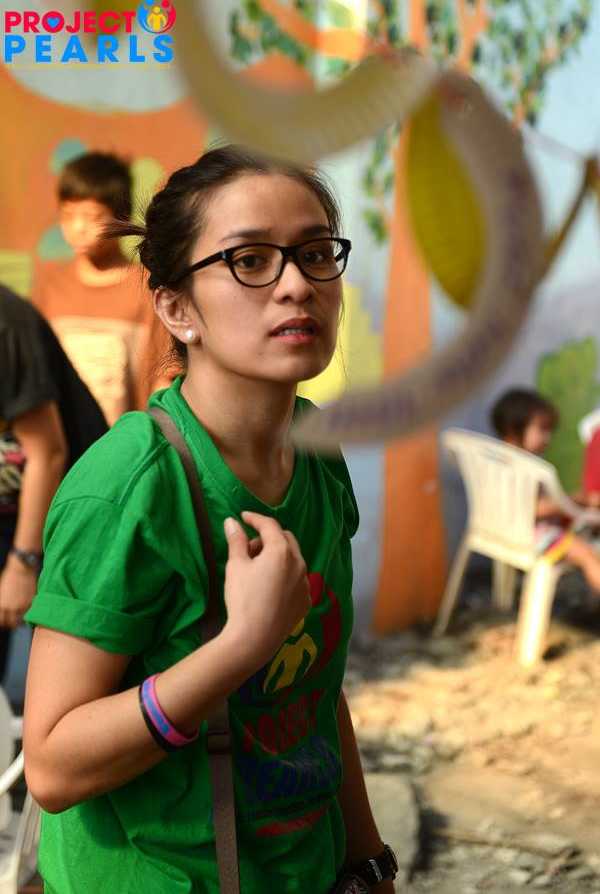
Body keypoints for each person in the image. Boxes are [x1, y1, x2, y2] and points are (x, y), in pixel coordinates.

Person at [23, 145, 397, 893]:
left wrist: (367, 862)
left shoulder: (315, 453)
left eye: (316, 253)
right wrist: (239, 648)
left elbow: (317, 692)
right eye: (250, 260)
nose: (297, 284)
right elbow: (53, 768)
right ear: (177, 309)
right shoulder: (128, 487)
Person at [0, 284, 107, 687]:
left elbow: (48, 453)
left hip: (49, 525)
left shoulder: (7, 323)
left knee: (53, 684)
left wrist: (22, 564)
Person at [31, 151, 171, 426]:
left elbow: (162, 378)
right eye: (68, 215)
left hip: (126, 440)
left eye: (93, 217)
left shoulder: (147, 288)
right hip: (66, 441)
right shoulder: (50, 286)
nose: (78, 227)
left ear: (122, 217)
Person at [491, 388, 600, 589]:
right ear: (513, 429)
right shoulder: (521, 467)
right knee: (587, 555)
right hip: (532, 536)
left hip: (507, 531)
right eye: (542, 429)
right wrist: (571, 502)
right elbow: (534, 509)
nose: (548, 437)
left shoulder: (498, 461)